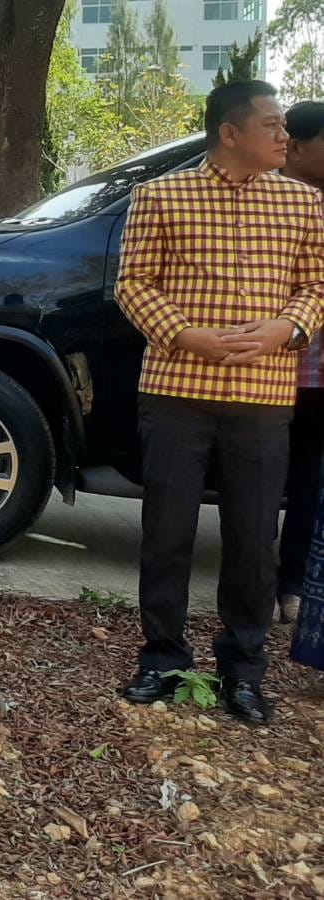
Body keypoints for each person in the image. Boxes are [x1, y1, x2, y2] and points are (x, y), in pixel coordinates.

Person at [115, 80, 324, 727]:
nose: (283, 136)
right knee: (167, 533)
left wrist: (283, 329)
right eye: (271, 125)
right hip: (177, 390)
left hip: (262, 395)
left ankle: (242, 670)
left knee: (251, 536)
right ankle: (162, 658)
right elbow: (132, 283)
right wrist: (186, 335)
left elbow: (315, 285)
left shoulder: (302, 205)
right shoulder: (159, 196)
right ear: (229, 133)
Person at [277, 101, 324, 623]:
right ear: (296, 146)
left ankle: (293, 584)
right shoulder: (268, 205)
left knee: (308, 479)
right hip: (266, 371)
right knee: (260, 484)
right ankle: (261, 581)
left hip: (314, 374)